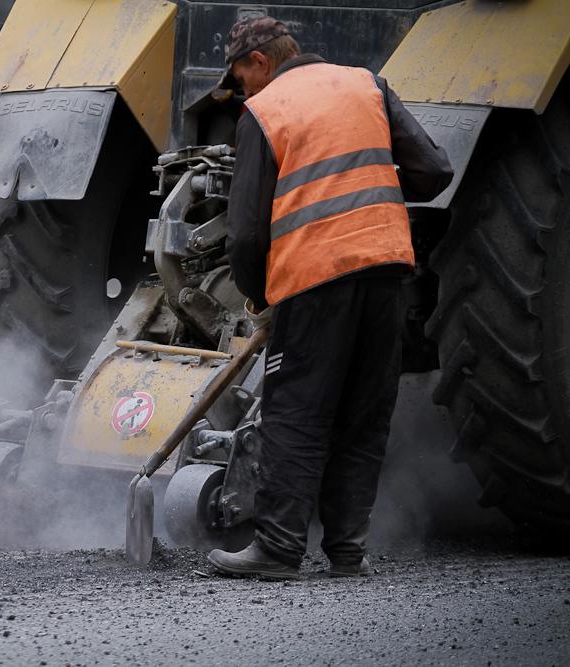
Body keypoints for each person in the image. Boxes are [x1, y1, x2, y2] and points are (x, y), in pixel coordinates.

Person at [207, 17, 453, 579]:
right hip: (387, 271)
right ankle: (347, 551)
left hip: (315, 280)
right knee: (363, 415)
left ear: (262, 63)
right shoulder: (368, 84)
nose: (241, 88)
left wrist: (257, 295)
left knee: (296, 413)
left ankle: (277, 548)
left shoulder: (264, 111)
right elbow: (435, 170)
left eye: (241, 75)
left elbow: (245, 233)